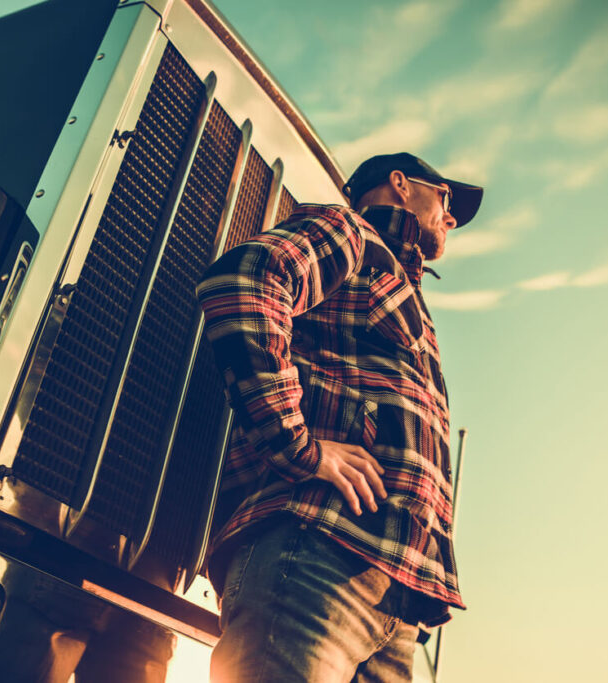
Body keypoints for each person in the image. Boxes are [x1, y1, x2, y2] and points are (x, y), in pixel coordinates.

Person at [196, 152, 484, 682]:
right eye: (445, 198)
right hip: (316, 554)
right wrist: (297, 445)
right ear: (400, 185)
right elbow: (245, 282)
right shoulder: (349, 232)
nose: (450, 217)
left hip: (396, 601)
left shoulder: (408, 292)